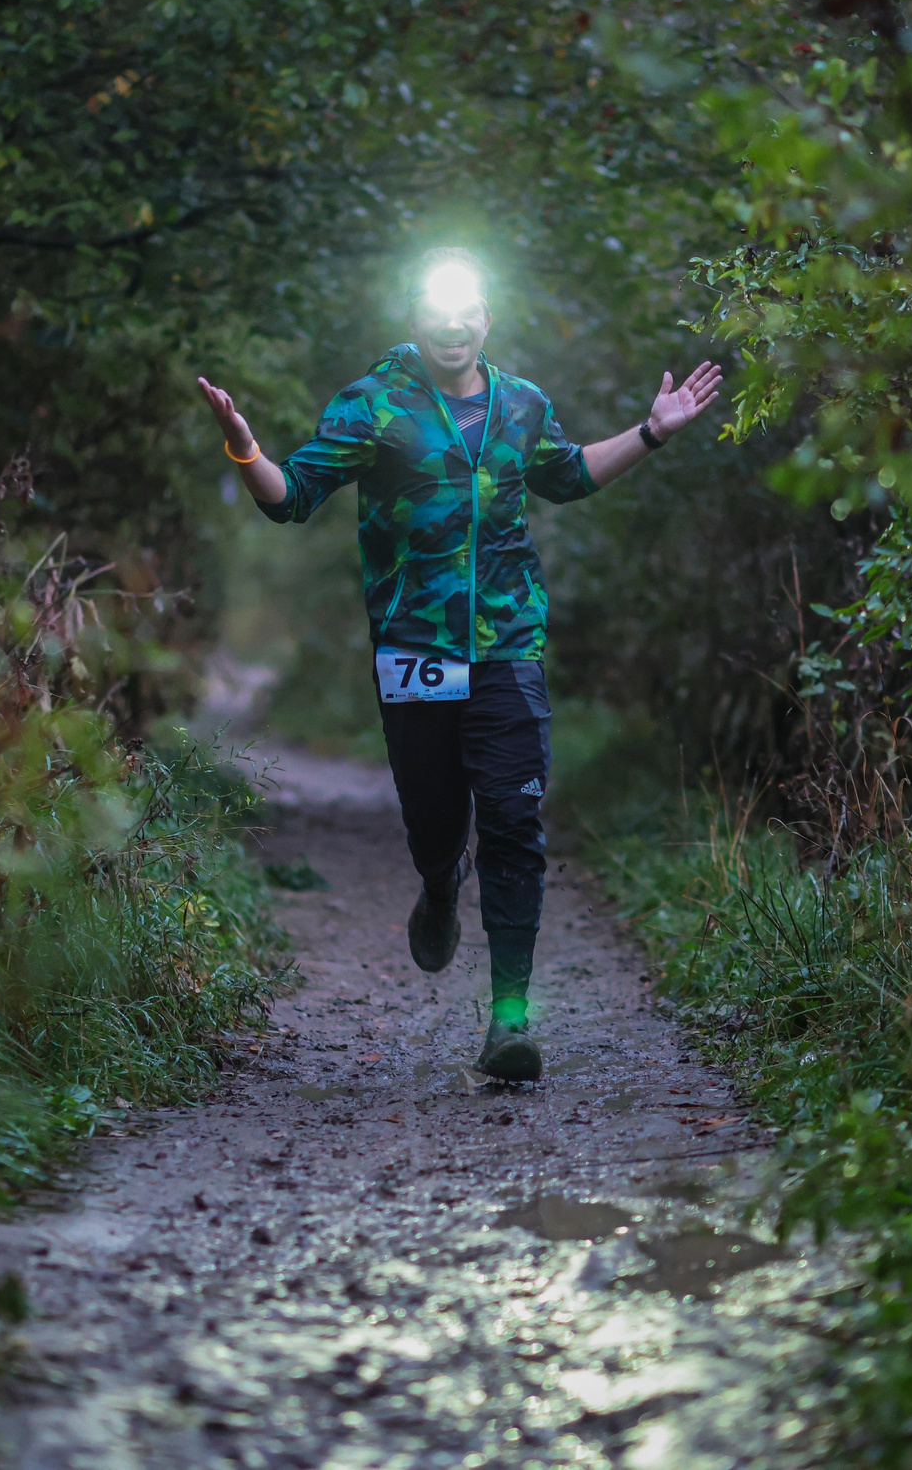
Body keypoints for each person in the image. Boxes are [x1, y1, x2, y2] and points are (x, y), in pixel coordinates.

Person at [196, 248, 722, 1083]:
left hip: (510, 649)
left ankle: (510, 1022)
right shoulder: (374, 406)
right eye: (435, 311)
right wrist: (243, 445)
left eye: (465, 310)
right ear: (415, 320)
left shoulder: (521, 406)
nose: (451, 325)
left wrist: (653, 430)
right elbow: (290, 496)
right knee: (436, 824)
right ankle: (440, 882)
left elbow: (570, 475)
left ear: (485, 319)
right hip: (415, 653)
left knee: (515, 828)